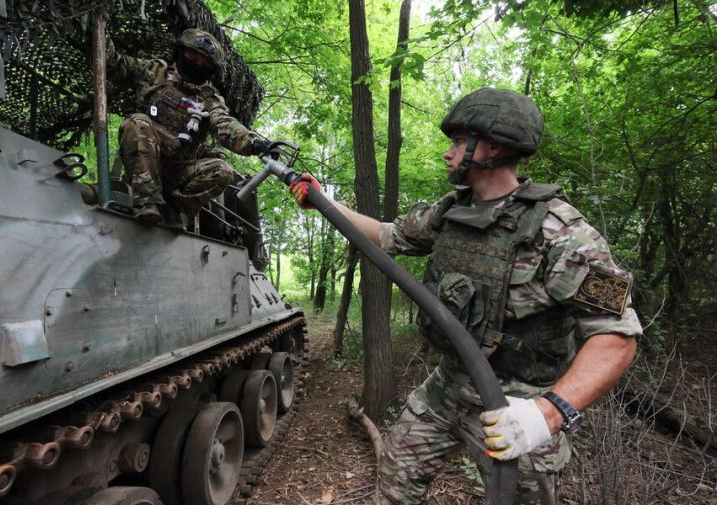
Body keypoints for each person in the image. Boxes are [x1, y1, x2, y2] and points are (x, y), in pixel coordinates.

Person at [290, 88, 642, 504]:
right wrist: (320, 199)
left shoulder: (561, 232)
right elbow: (387, 234)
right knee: (394, 485)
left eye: (458, 142)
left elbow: (617, 337)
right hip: (446, 389)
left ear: (491, 146)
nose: (448, 153)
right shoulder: (449, 212)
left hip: (515, 407)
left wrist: (546, 415)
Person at [106, 28, 270, 225]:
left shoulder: (209, 98)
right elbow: (113, 63)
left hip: (180, 171)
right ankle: (148, 204)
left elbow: (223, 123)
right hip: (145, 163)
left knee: (223, 171)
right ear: (181, 53)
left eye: (205, 63)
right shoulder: (154, 71)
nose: (197, 64)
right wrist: (97, 29)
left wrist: (253, 142)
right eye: (193, 56)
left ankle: (172, 210)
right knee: (137, 122)